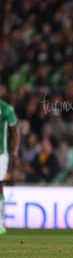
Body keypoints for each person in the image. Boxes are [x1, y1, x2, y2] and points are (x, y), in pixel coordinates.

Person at [0, 99, 20, 234]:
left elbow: (15, 131)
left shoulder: (6, 108)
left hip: (1, 154)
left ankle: (0, 222)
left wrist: (14, 151)